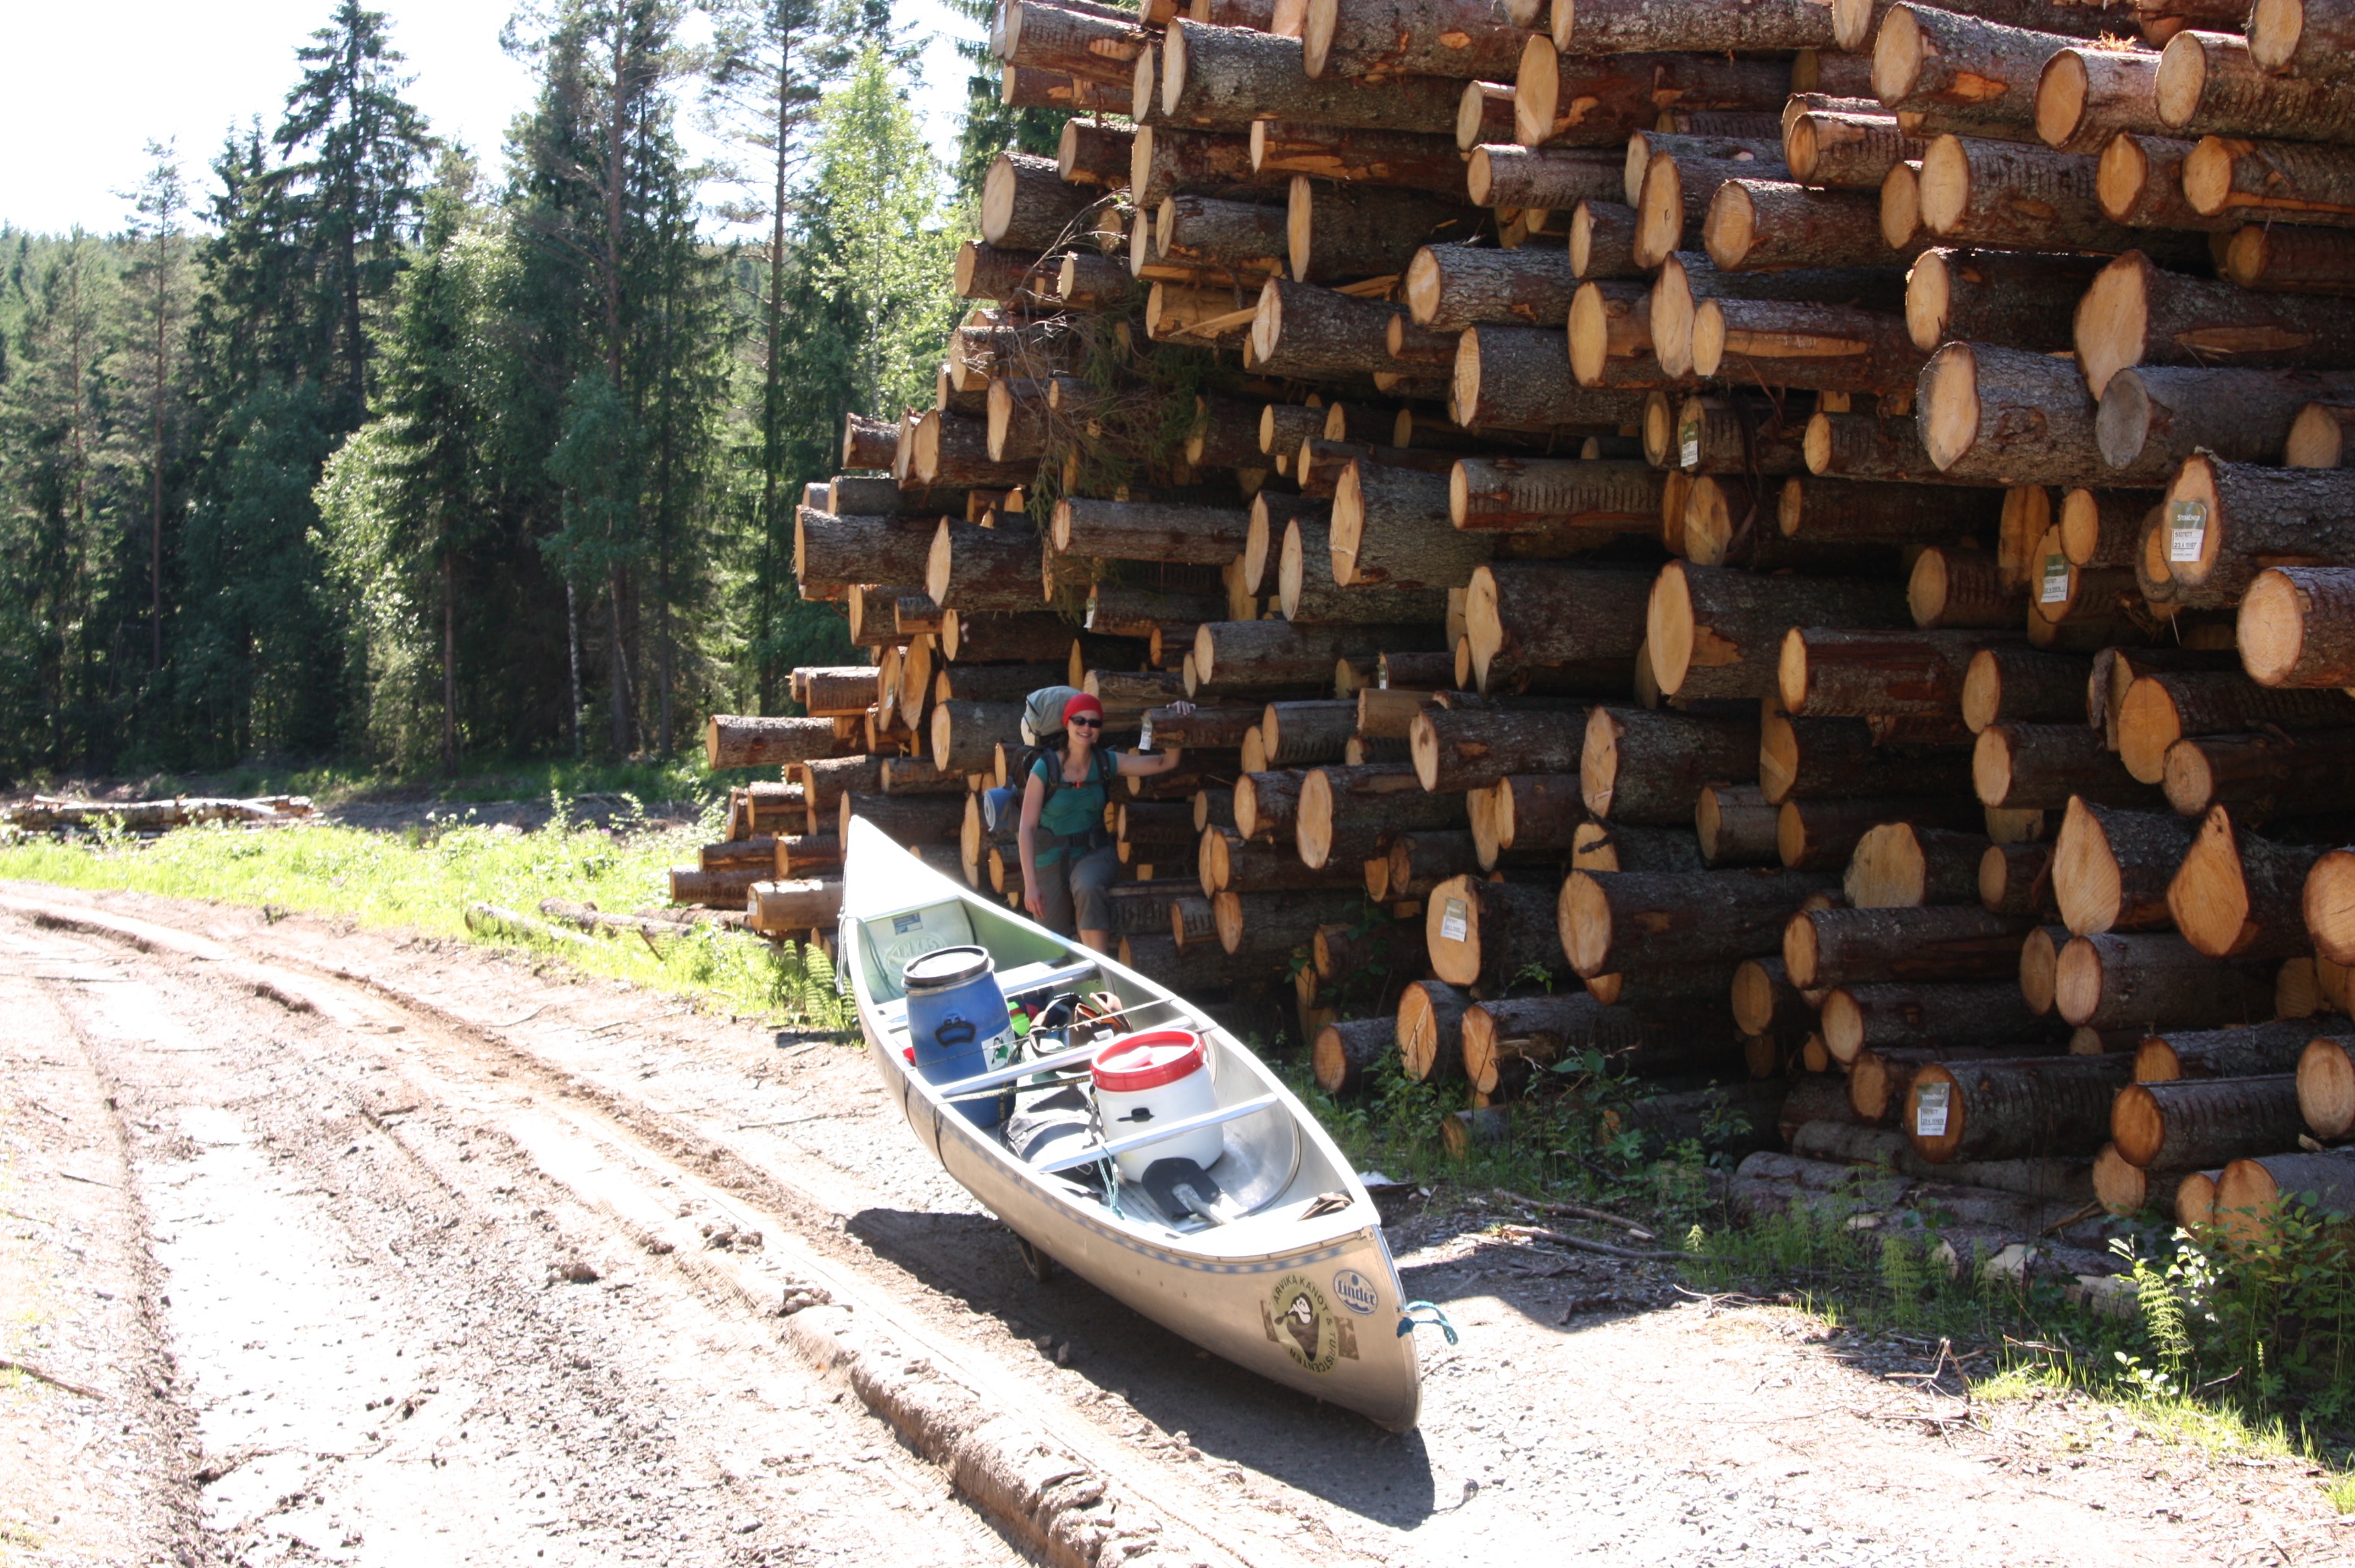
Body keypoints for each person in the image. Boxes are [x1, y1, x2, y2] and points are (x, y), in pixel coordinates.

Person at [1017, 692, 1190, 952]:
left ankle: (1102, 970)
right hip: (1049, 859)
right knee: (1050, 944)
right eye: (1079, 720)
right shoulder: (1045, 768)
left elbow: (1167, 761)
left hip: (1094, 853)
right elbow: (1026, 829)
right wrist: (1030, 885)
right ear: (1067, 723)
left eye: (1094, 723)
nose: (1086, 728)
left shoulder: (1106, 762)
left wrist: (1175, 720)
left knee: (1086, 886)